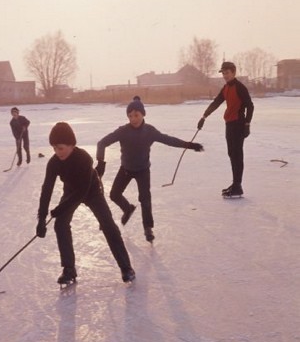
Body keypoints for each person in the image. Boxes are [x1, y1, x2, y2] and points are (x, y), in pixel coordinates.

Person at [36, 122, 135, 285]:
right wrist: (41, 219)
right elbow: (46, 190)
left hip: (92, 191)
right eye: (54, 148)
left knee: (108, 225)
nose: (57, 152)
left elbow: (82, 191)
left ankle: (126, 268)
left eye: (60, 148)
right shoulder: (54, 163)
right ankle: (69, 269)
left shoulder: (83, 158)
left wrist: (60, 208)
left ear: (71, 145)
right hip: (70, 192)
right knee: (60, 224)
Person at [96, 96, 203, 242]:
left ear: (143, 114)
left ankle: (148, 228)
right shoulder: (123, 131)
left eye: (136, 115)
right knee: (114, 194)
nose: (133, 119)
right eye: (130, 116)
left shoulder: (149, 131)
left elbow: (169, 140)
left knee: (145, 199)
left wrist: (189, 145)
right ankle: (127, 208)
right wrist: (101, 162)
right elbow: (102, 143)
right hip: (126, 168)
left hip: (142, 170)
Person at [197, 61, 254, 198]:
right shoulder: (226, 88)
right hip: (229, 124)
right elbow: (216, 102)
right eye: (223, 73)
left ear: (233, 73)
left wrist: (247, 124)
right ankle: (235, 184)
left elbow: (250, 106)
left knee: (237, 154)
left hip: (239, 124)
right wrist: (204, 116)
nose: (225, 75)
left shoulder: (240, 87)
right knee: (231, 153)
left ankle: (237, 186)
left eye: (227, 73)